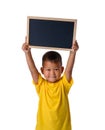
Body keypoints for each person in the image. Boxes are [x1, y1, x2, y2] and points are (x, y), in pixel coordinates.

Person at [22, 37, 79, 130]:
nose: (52, 73)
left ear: (61, 70)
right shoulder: (41, 85)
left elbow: (69, 70)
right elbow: (32, 70)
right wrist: (27, 53)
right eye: (48, 69)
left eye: (56, 69)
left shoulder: (63, 85)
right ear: (42, 70)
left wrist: (73, 52)